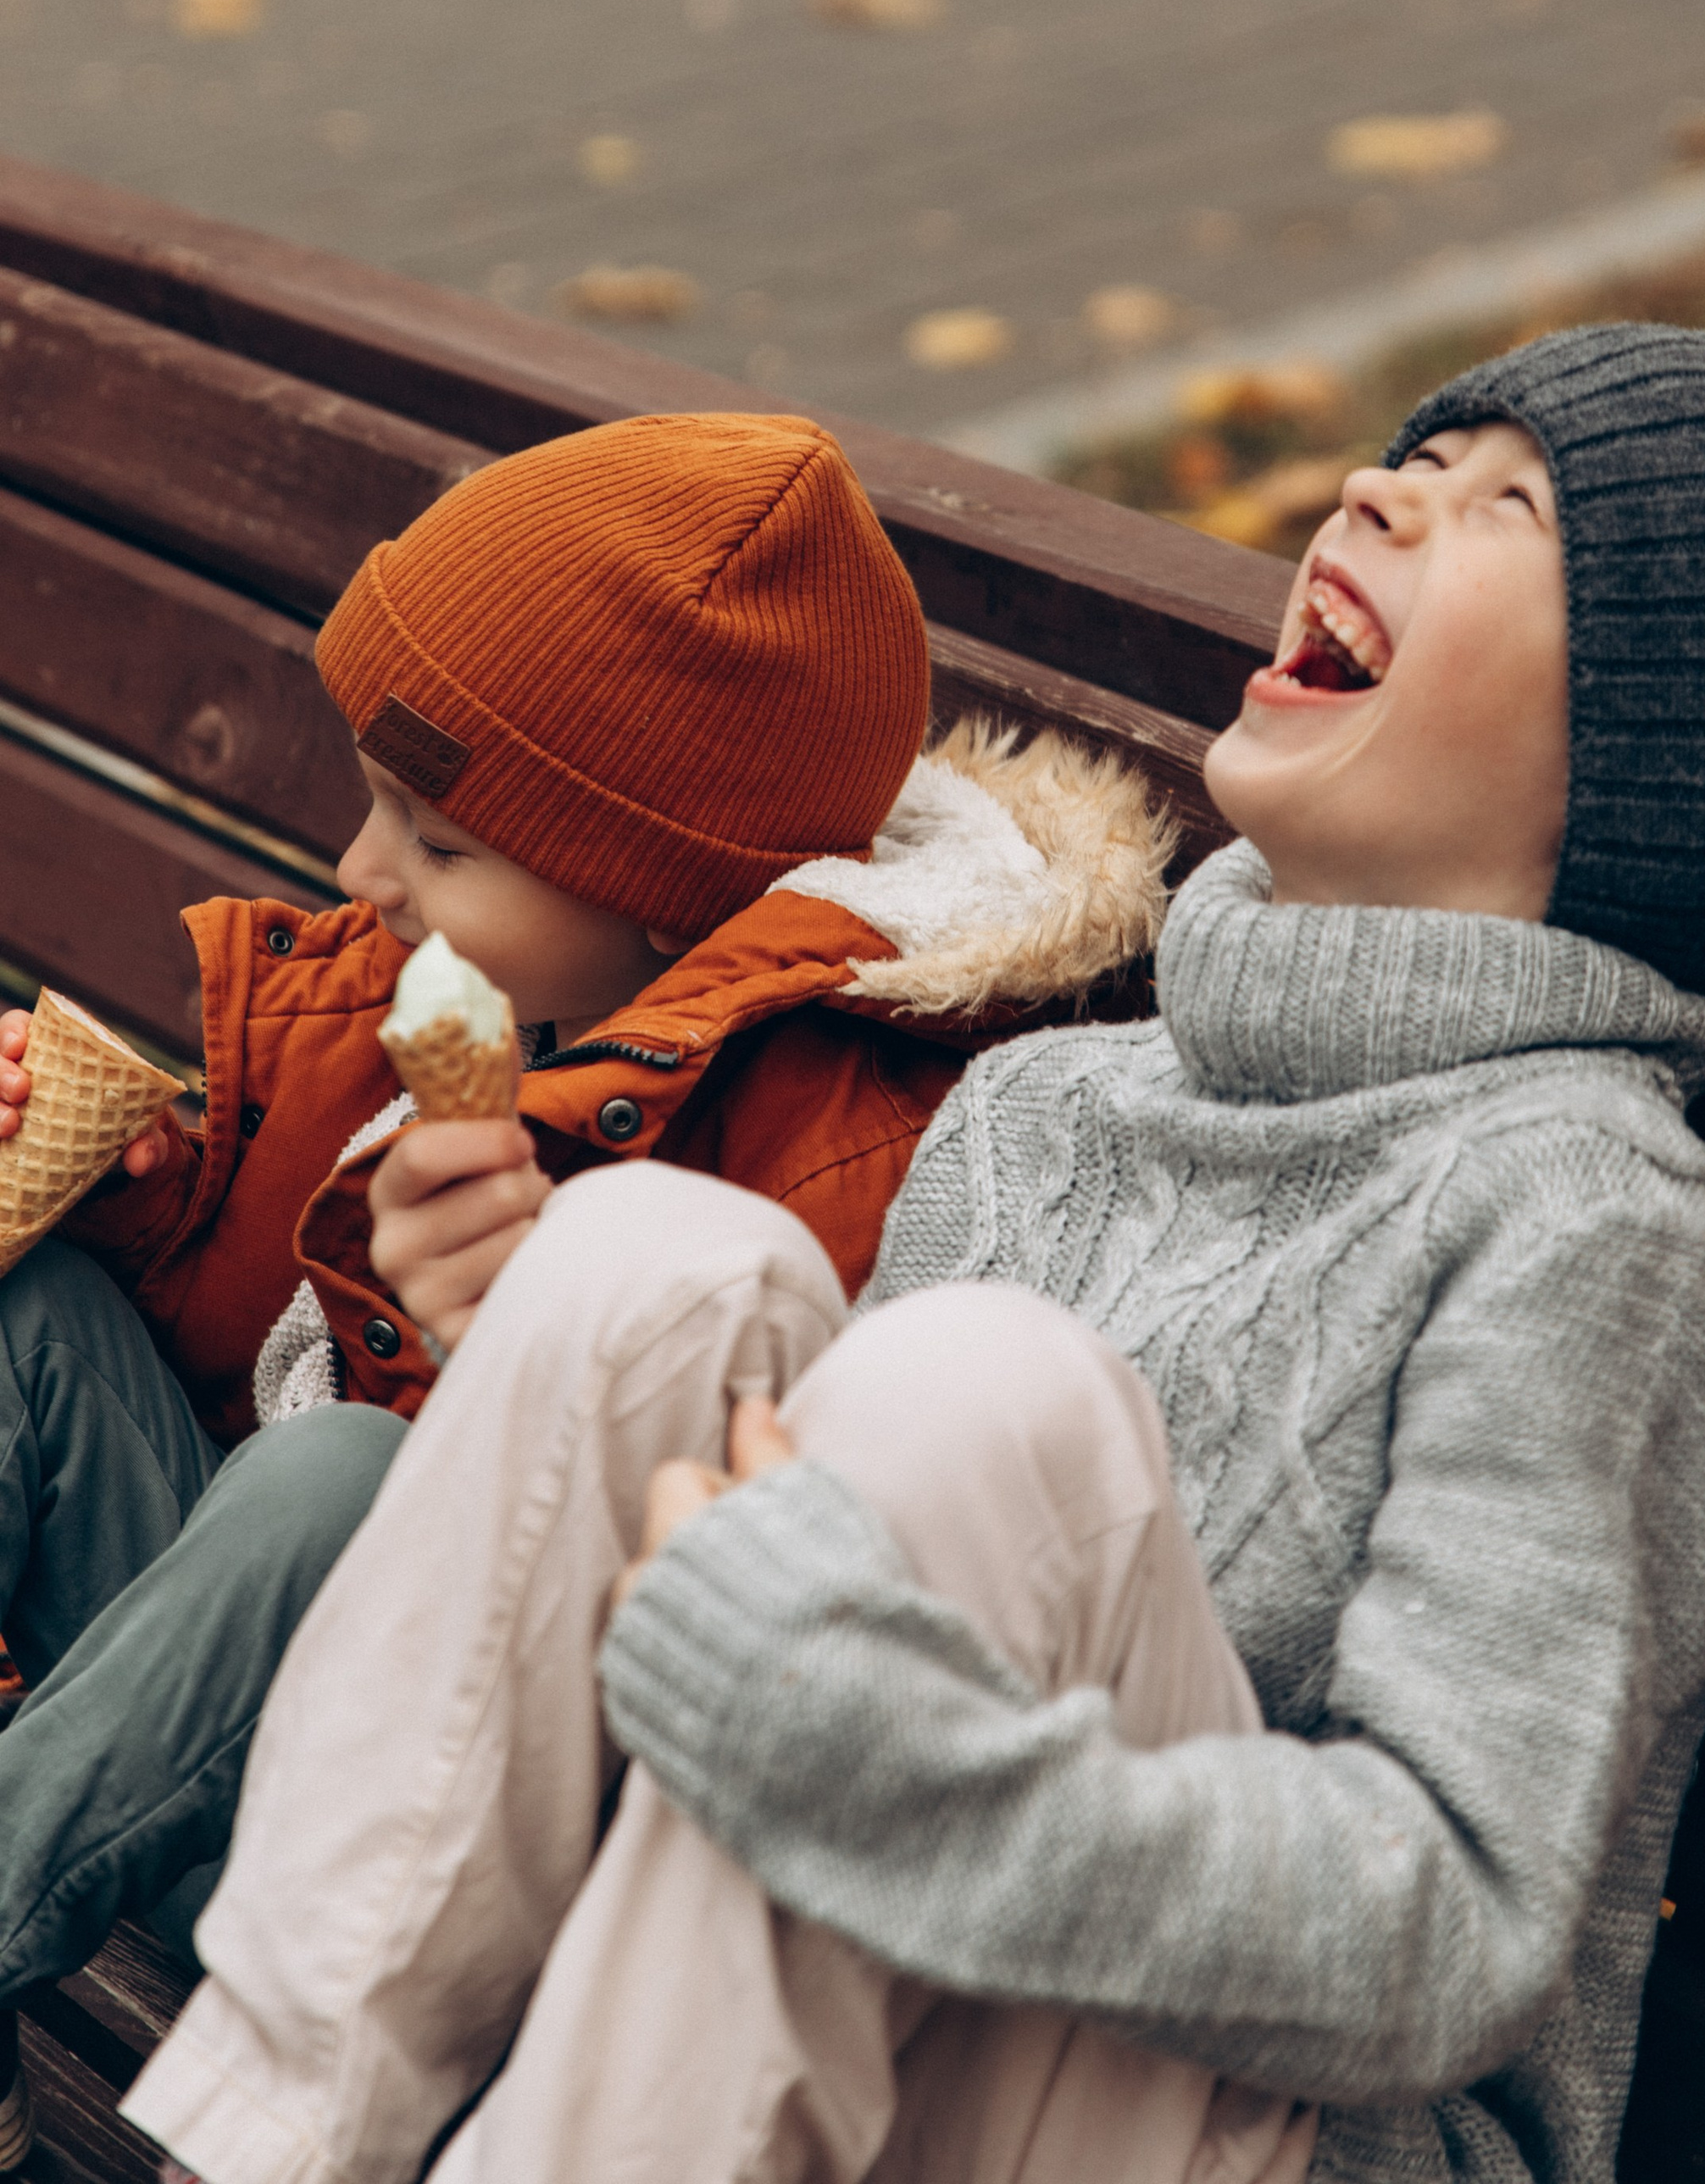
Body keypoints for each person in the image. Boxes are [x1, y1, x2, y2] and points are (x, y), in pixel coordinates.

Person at [124, 324, 1705, 2184]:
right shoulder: (1051, 1104)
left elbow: (1445, 1930)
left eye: (1501, 509)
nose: (1378, 491)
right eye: (1415, 455)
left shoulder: (1578, 1224)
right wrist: (518, 1353)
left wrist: (889, 1757)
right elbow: (793, 1640)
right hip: (914, 2032)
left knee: (972, 1388)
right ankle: (259, 2148)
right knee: (644, 1263)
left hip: (1291, 2131)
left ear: (1661, 764)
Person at [0, 412, 1167, 2178]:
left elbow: (712, 1621)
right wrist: (128, 1190)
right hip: (207, 1751)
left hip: (456, 1902)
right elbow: (259, 1341)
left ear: (667, 897)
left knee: (342, 1476)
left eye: (436, 842)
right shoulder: (488, 991)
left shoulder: (857, 1161)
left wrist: (493, 1349)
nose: (360, 875)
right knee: (38, 1324)